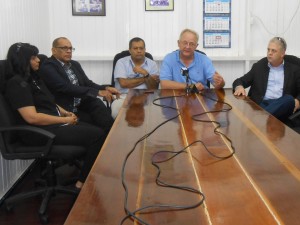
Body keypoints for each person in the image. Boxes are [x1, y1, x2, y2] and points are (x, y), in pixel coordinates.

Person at [4, 42, 106, 189]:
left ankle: (87, 174)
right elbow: (32, 117)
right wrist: (64, 119)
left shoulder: (33, 79)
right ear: (22, 60)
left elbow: (49, 101)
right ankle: (82, 183)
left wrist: (64, 111)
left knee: (97, 130)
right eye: (33, 58)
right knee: (97, 136)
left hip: (51, 124)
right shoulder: (17, 84)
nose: (38, 60)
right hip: (38, 132)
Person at [39, 37, 120, 134]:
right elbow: (65, 87)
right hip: (67, 109)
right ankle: (108, 137)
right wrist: (97, 92)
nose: (69, 51)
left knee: (98, 105)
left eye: (70, 48)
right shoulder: (48, 66)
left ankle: (113, 135)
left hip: (81, 104)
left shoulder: (74, 64)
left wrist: (105, 88)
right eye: (65, 48)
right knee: (97, 128)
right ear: (54, 50)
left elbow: (87, 83)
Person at [233, 37, 300, 122]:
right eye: (268, 50)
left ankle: (262, 118)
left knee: (289, 99)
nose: (269, 53)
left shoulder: (294, 69)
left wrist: (298, 101)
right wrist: (239, 87)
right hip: (262, 104)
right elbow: (239, 81)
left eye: (273, 51)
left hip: (282, 105)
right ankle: (265, 118)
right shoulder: (259, 66)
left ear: (282, 54)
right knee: (263, 110)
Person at [160, 28, 225, 92]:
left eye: (191, 44)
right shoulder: (169, 59)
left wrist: (221, 83)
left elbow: (217, 85)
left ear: (196, 46)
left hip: (201, 97)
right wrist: (191, 86)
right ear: (178, 43)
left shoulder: (204, 60)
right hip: (176, 97)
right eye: (185, 43)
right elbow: (164, 84)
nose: (187, 47)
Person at [112, 37, 159, 118]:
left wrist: (144, 72)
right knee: (116, 111)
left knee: (156, 114)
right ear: (130, 50)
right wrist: (146, 77)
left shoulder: (152, 64)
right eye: (135, 48)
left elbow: (153, 87)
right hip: (124, 96)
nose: (139, 51)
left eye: (141, 48)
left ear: (145, 50)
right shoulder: (121, 62)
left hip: (146, 96)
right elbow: (124, 83)